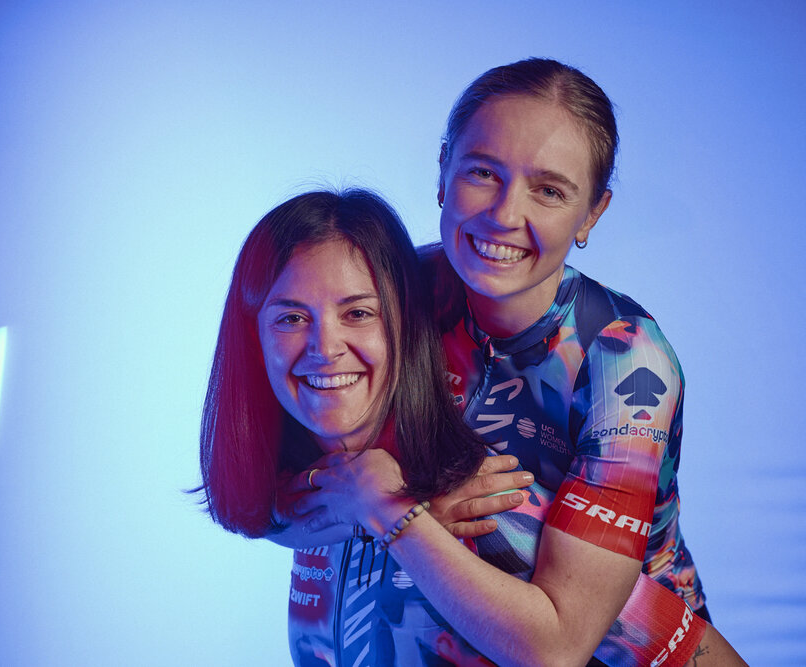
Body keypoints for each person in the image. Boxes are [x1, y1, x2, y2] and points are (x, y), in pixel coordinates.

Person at [287, 59, 745, 664]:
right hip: (412, 637)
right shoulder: (387, 296)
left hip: (623, 646)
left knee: (502, 511)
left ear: (592, 214)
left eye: (549, 191)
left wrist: (397, 509)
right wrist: (398, 505)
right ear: (443, 173)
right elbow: (267, 504)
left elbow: (558, 649)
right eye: (483, 173)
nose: (504, 215)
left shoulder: (624, 358)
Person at [199, 189, 742, 665]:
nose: (325, 348)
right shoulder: (319, 486)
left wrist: (396, 512)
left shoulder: (487, 505)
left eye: (359, 313)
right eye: (291, 318)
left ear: (405, 327)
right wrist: (368, 506)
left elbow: (672, 648)